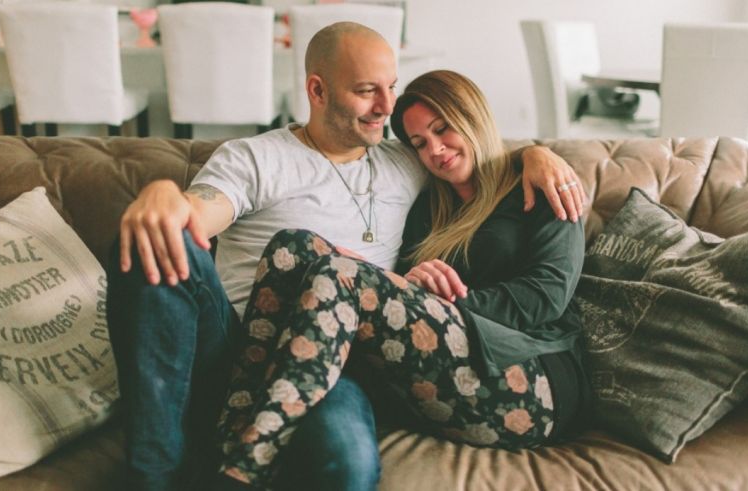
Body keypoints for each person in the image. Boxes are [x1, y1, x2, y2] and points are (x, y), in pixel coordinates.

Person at [107, 21, 586, 491]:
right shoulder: (257, 158)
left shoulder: (405, 163)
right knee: (189, 240)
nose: (386, 107)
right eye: (366, 91)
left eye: (391, 87)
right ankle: (156, 476)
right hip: (235, 338)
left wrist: (537, 155)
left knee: (346, 463)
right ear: (318, 90)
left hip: (349, 352)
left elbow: (479, 156)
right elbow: (199, 212)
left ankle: (235, 463)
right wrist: (165, 196)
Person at [210, 69, 591, 488]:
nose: (437, 150)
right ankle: (232, 437)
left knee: (342, 275)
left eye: (443, 129)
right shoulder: (428, 207)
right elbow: (401, 295)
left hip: (528, 378)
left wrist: (442, 307)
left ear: (473, 115)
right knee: (292, 247)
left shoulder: (539, 185)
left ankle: (245, 469)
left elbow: (546, 296)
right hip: (446, 366)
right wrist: (413, 285)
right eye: (420, 143)